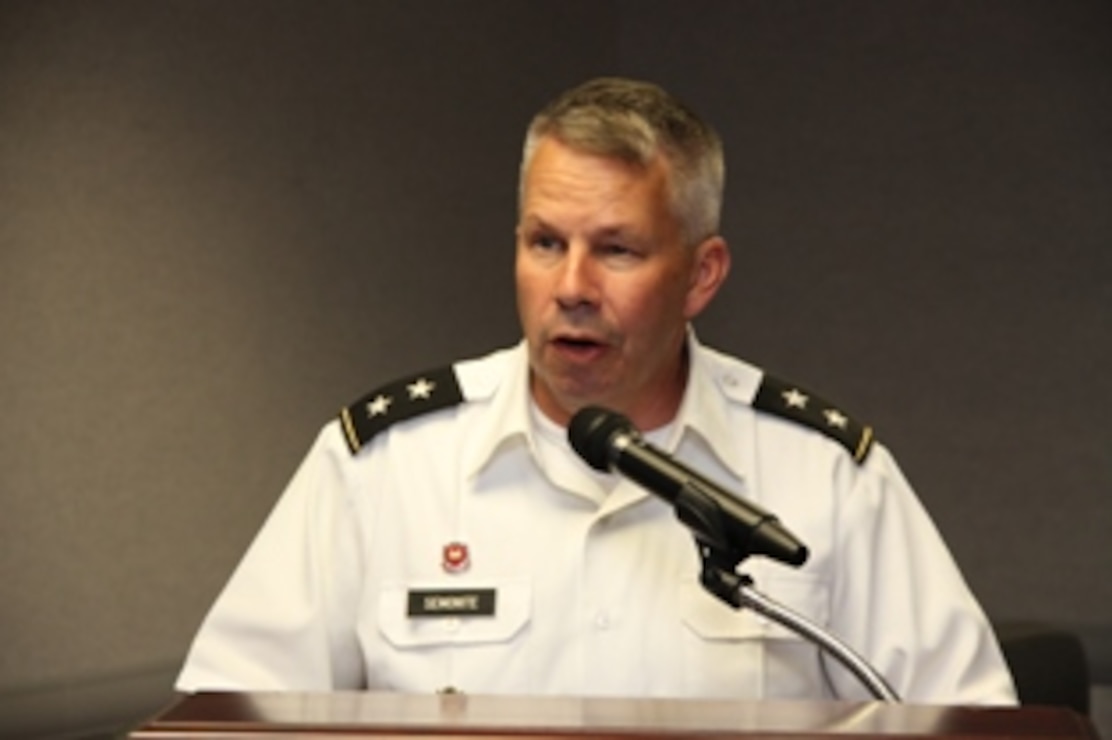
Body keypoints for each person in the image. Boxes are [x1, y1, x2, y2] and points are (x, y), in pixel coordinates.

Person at [176, 77, 1016, 705]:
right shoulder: (384, 466)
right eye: (545, 242)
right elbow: (228, 712)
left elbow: (967, 720)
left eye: (616, 250)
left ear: (701, 274)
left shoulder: (825, 476)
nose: (571, 285)